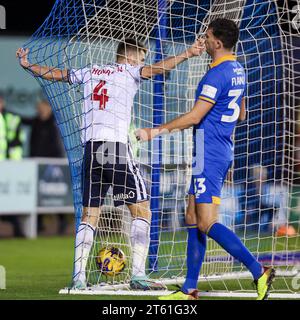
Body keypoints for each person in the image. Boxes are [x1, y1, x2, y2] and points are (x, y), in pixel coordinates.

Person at [16, 37, 205, 290]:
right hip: (114, 148)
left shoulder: (90, 71)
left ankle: (79, 277)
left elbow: (57, 74)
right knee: (142, 210)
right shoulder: (129, 71)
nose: (143, 62)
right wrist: (188, 53)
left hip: (91, 149)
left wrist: (29, 65)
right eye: (140, 57)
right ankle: (138, 275)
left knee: (89, 215)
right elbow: (160, 68)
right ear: (129, 57)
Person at [136, 18, 275, 300]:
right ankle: (189, 289)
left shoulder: (216, 75)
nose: (205, 39)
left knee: (206, 222)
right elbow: (241, 113)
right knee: (191, 216)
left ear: (218, 42)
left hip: (209, 153)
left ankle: (259, 270)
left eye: (208, 36)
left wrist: (155, 131)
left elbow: (196, 116)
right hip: (215, 150)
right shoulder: (237, 68)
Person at [22, 99, 68, 235]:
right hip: (37, 165)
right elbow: (23, 120)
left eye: (42, 108)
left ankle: (62, 221)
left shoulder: (55, 121)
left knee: (57, 194)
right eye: (38, 108)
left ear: (48, 108)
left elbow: (56, 146)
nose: (40, 111)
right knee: (37, 194)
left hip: (54, 165)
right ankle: (39, 223)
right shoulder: (36, 121)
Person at [0, 96, 25, 237]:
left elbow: (16, 141)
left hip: (9, 167)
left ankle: (17, 229)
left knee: (10, 198)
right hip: (5, 165)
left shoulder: (11, 118)